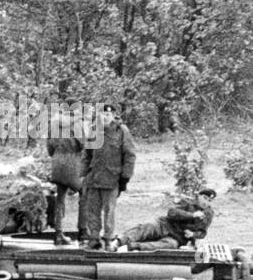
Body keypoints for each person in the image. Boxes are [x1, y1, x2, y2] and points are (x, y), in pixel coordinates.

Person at [80, 106, 136, 249]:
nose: (105, 117)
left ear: (113, 115)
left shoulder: (121, 131)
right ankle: (94, 237)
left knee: (109, 211)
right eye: (102, 114)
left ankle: (108, 239)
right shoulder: (94, 130)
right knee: (92, 210)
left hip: (112, 178)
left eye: (108, 114)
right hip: (94, 177)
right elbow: (86, 154)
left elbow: (129, 155)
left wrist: (125, 178)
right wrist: (83, 174)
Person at [117, 188, 216, 251]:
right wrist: (192, 215)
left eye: (209, 200)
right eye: (204, 198)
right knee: (148, 227)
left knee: (169, 246)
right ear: (198, 196)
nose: (205, 202)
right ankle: (119, 241)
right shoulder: (187, 201)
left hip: (178, 237)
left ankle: (132, 247)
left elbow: (202, 233)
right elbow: (172, 212)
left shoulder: (208, 214)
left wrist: (193, 234)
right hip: (165, 225)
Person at [46, 135, 85, 246]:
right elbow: (83, 146)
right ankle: (83, 231)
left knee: (60, 199)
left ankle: (58, 232)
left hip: (57, 165)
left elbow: (50, 150)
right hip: (71, 165)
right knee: (84, 194)